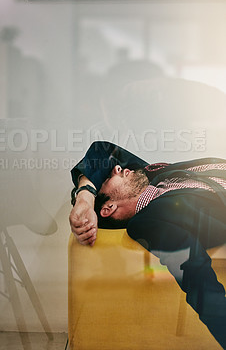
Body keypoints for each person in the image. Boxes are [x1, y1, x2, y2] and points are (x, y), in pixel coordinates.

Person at [69, 141, 226, 348]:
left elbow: (102, 150)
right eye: (107, 178)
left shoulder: (151, 174)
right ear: (108, 207)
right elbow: (197, 278)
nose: (117, 168)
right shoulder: (148, 220)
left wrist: (85, 197)